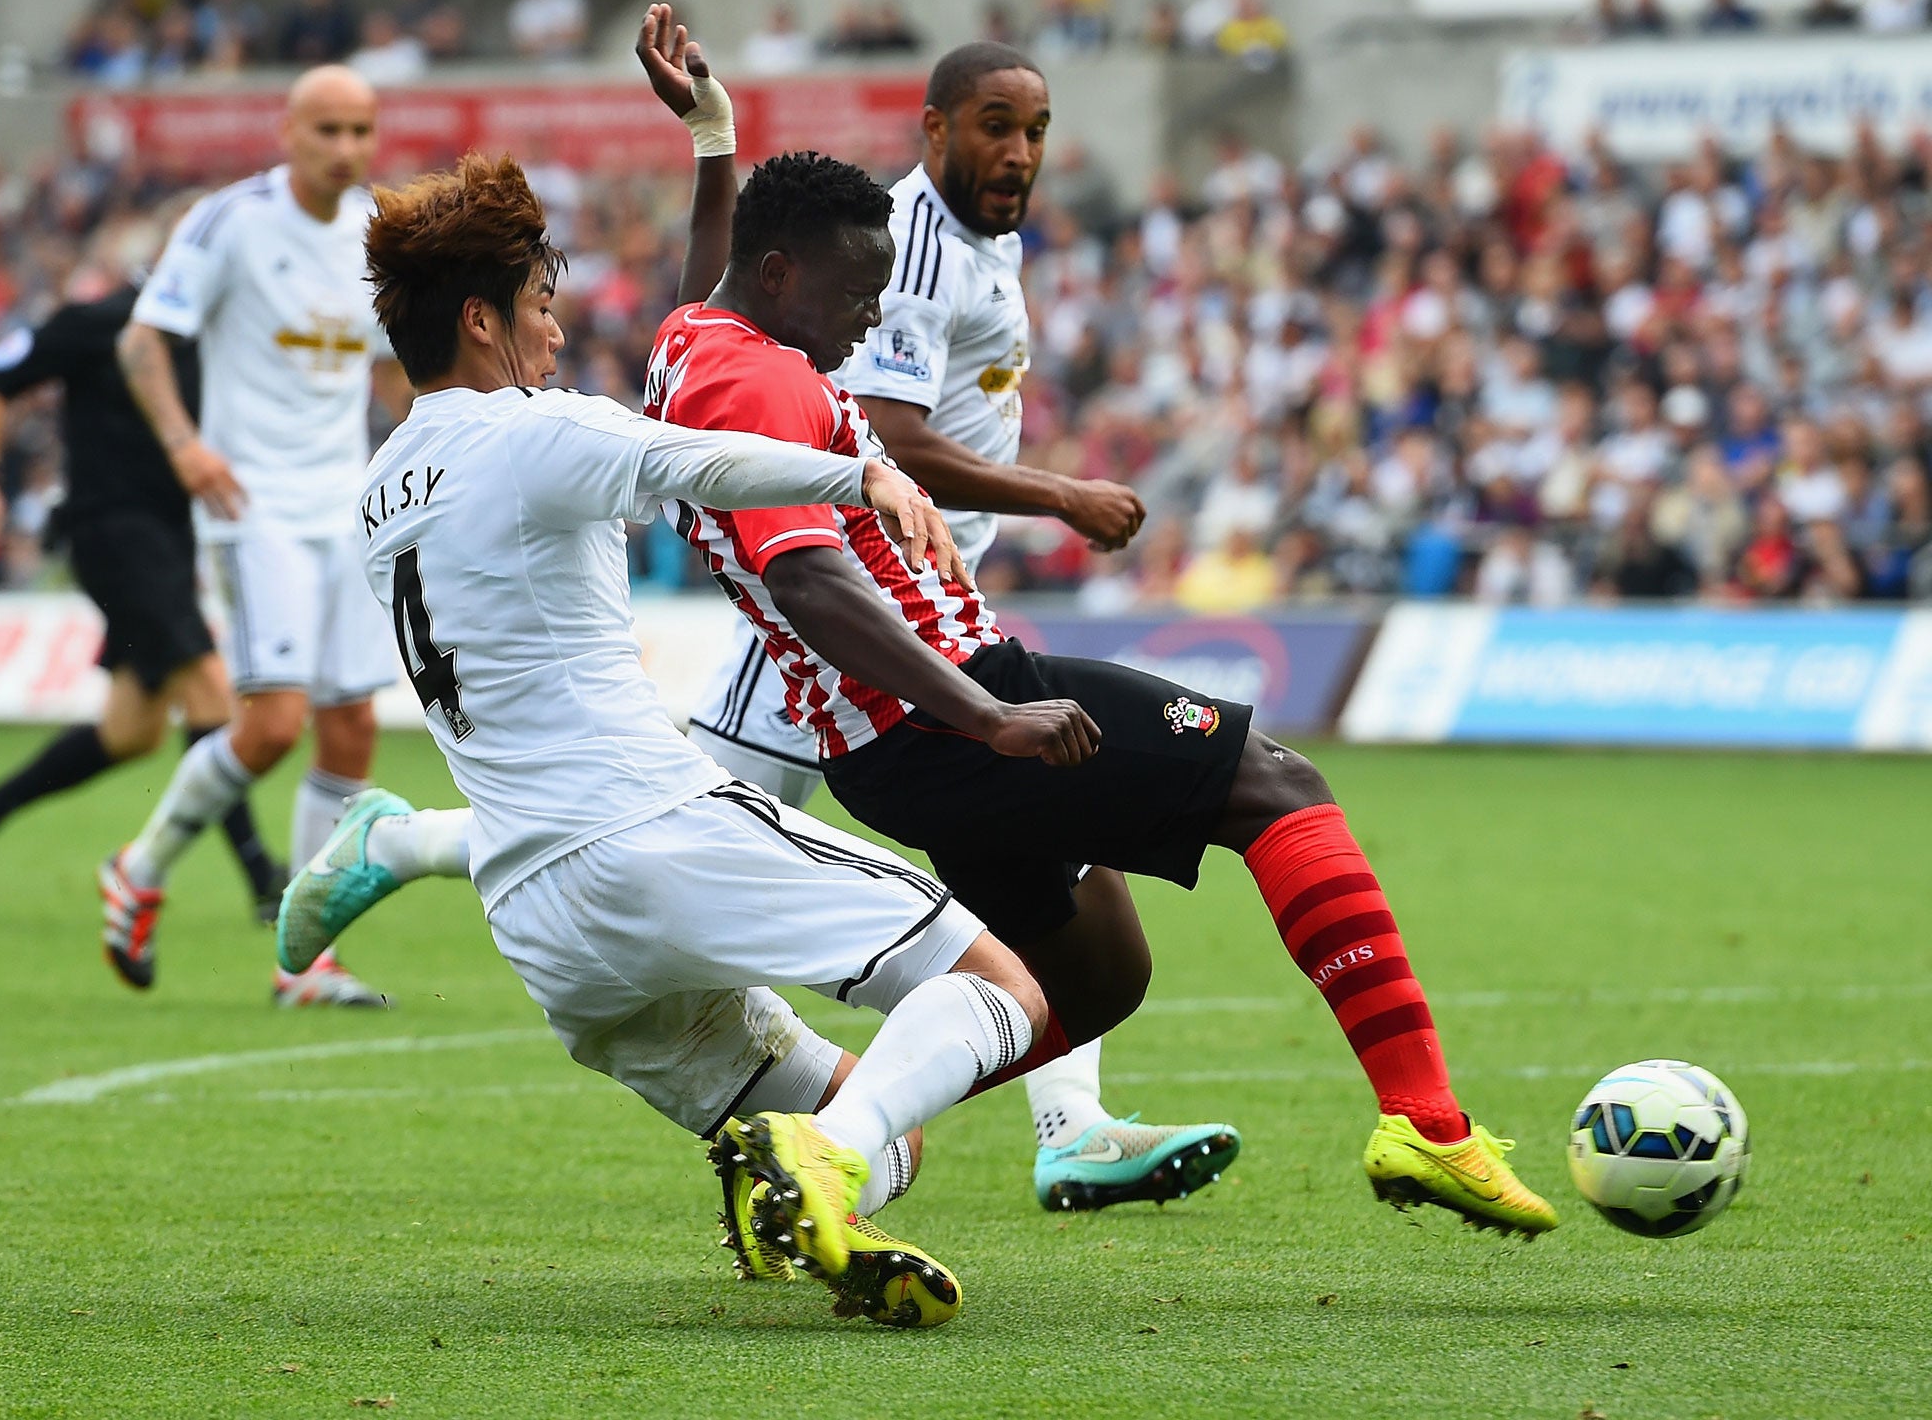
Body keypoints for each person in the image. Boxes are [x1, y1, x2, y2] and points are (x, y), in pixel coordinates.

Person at [647, 147, 1560, 1238]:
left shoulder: (694, 338)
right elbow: (804, 575)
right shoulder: (763, 379)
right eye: (853, 294)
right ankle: (1427, 1121)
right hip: (951, 708)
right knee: (1274, 785)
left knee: (1095, 976)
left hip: (891, 745)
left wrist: (712, 144)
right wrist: (988, 715)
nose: (867, 321)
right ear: (783, 273)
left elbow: (716, 272)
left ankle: (826, 1146)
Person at [346, 142, 1087, 1327]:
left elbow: (691, 347)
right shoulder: (532, 432)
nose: (554, 333)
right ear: (481, 321)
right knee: (1005, 993)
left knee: (879, 1136)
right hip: (648, 834)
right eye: (540, 308)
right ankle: (818, 1169)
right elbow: (695, 448)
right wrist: (863, 479)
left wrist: (711, 149)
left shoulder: (382, 485)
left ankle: (804, 1193)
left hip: (539, 924)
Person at [688, 41, 1241, 1215]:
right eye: (995, 126)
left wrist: (708, 143)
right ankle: (421, 845)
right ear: (933, 130)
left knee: (1056, 850)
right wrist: (1060, 494)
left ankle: (1065, 1124)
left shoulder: (975, 242)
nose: (1019, 153)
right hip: (842, 636)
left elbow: (703, 310)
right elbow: (885, 433)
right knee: (679, 855)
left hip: (926, 620)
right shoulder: (911, 249)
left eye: (1034, 130)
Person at [98, 65, 409, 1006]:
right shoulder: (229, 221)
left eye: (362, 129)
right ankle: (140, 866)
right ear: (288, 131)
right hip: (252, 502)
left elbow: (395, 365)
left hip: (342, 501)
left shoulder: (378, 235)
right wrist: (186, 446)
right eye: (329, 129)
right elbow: (142, 340)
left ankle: (302, 957)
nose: (348, 148)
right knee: (272, 727)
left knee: (351, 728)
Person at [0, 242, 285, 921]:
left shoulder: (222, 343)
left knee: (133, 731)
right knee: (209, 687)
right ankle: (263, 878)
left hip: (169, 542)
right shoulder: (102, 322)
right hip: (111, 532)